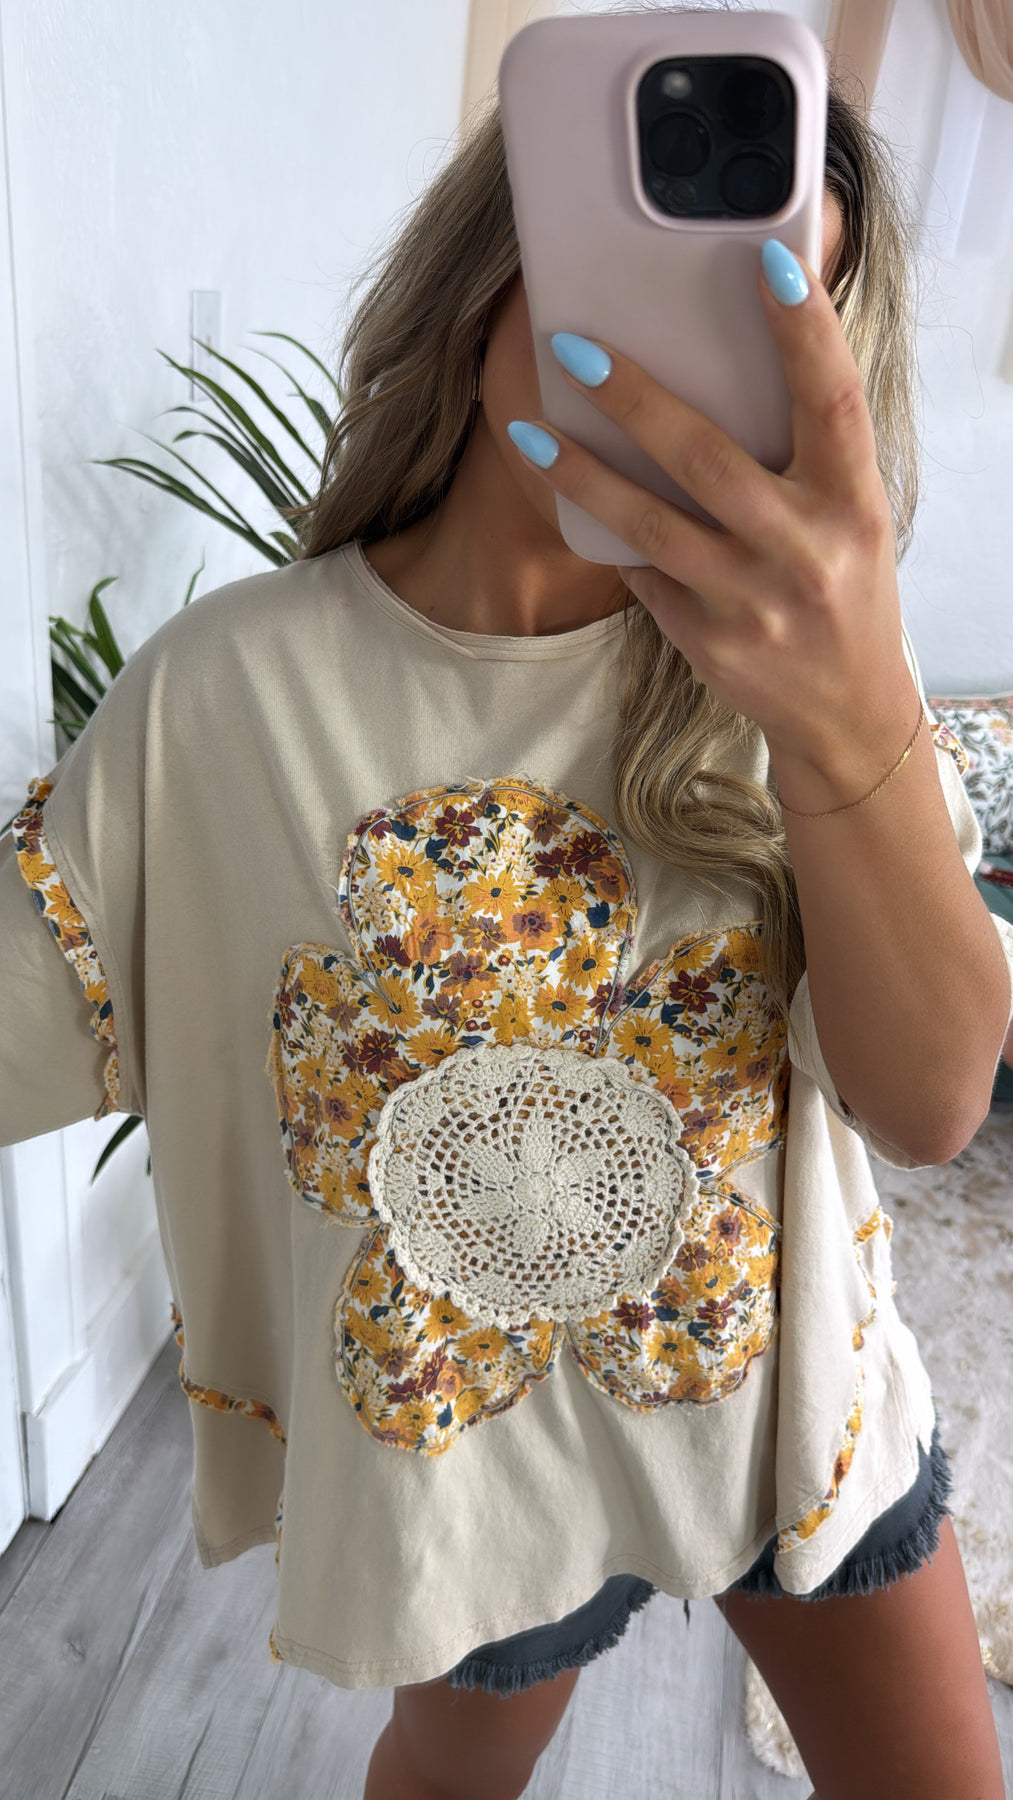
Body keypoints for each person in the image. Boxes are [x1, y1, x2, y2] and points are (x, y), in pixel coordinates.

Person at [2, 35, 1011, 1800]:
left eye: (763, 306)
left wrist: (849, 724)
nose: (676, 352)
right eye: (640, 262)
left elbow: (927, 1106)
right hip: (466, 1454)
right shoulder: (224, 695)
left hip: (798, 1410)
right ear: (499, 261)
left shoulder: (806, 679)